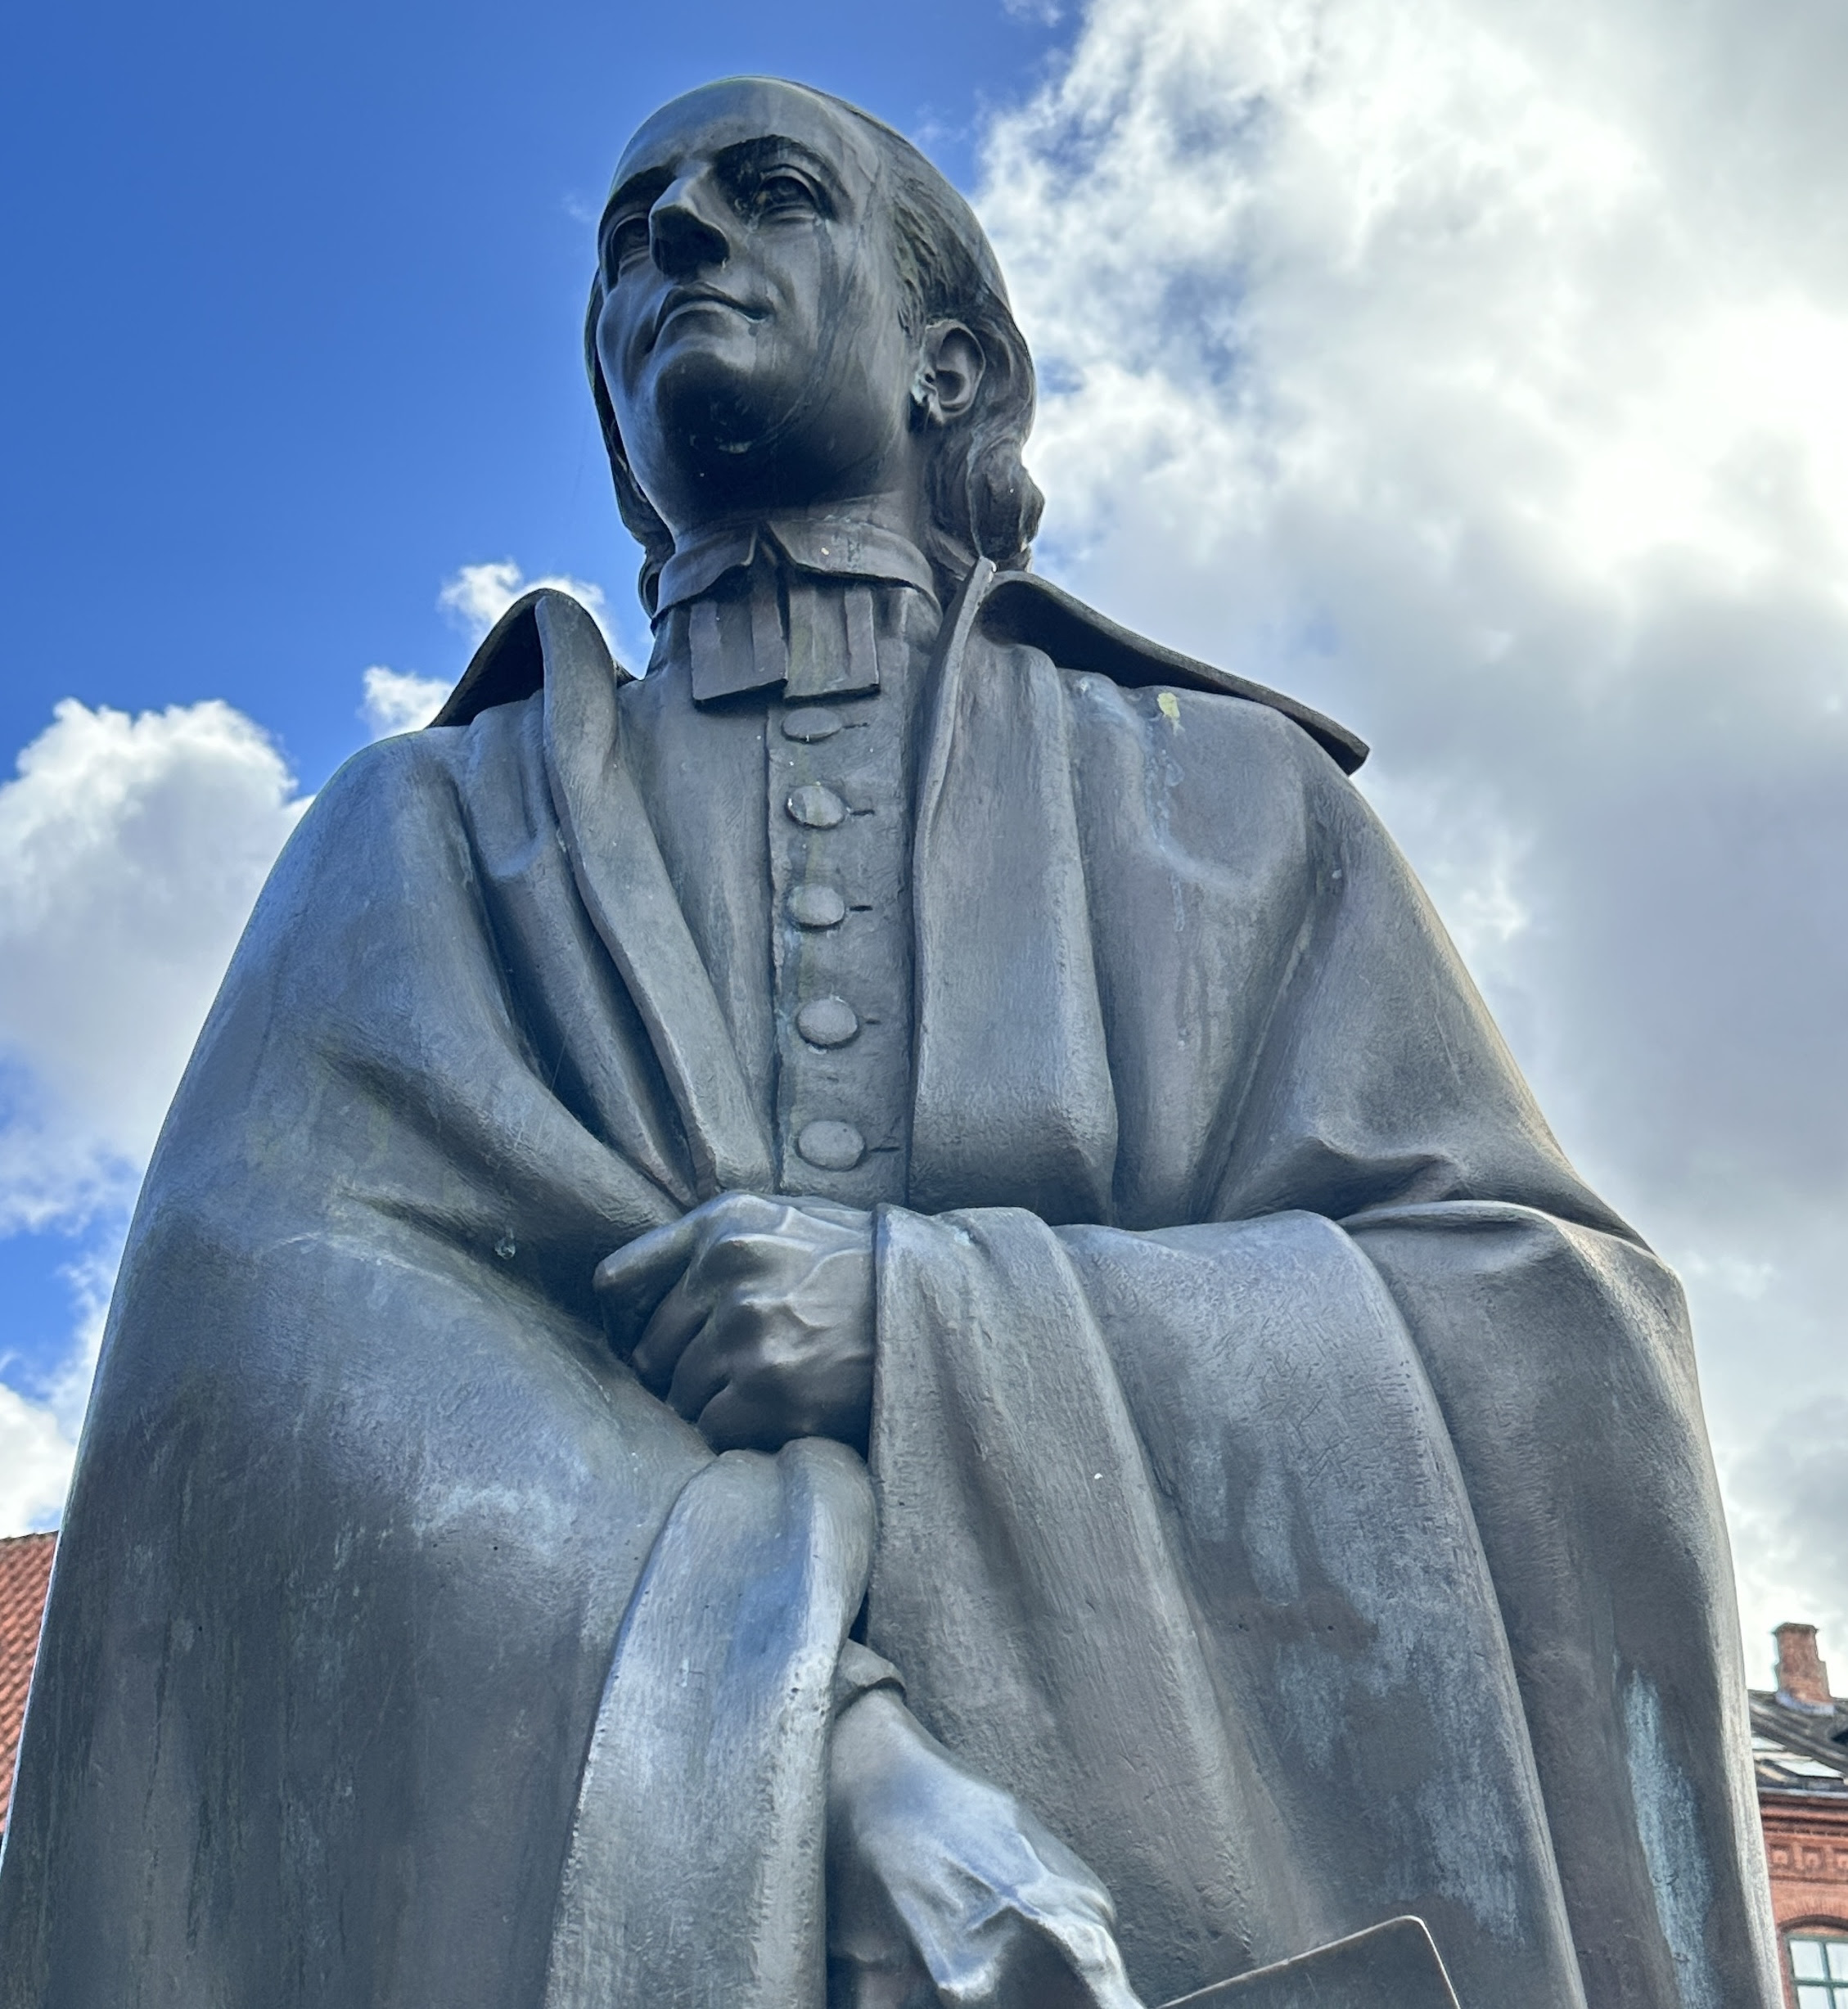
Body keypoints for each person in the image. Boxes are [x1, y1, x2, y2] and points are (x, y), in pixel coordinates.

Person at [0, 77, 1779, 2009]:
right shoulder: (422, 840)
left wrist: (922, 1318)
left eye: (767, 194)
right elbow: (248, 1356)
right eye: (628, 232)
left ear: (951, 368)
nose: (677, 236)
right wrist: (798, 1747)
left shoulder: (1228, 810)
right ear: (609, 409)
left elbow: (1558, 1357)